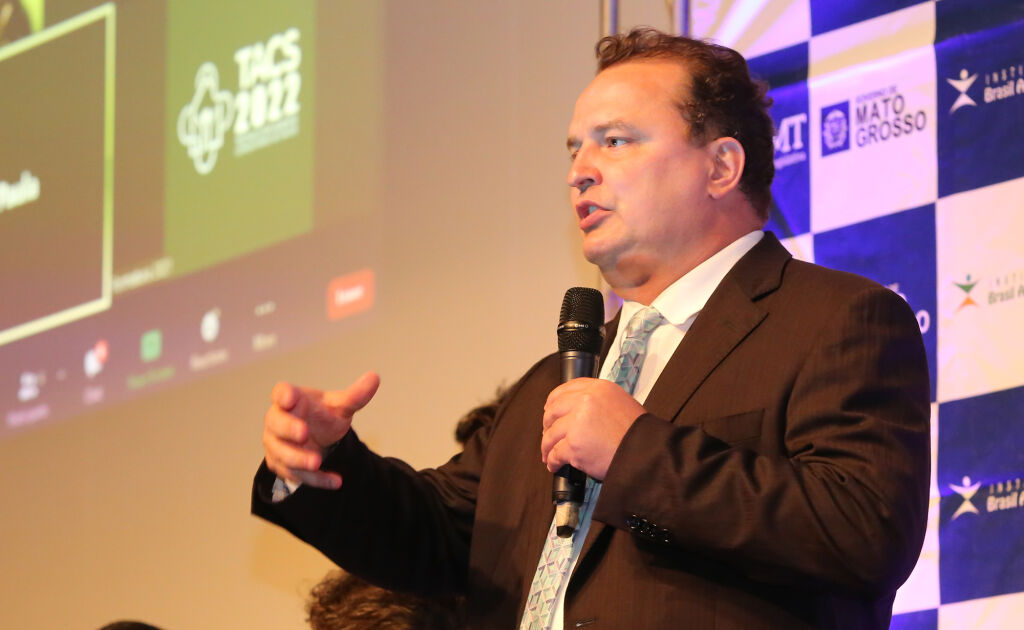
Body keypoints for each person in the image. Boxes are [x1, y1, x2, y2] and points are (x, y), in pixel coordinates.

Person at [253, 27, 930, 629]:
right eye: (575, 149)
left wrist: (634, 450)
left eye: (616, 141)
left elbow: (861, 530)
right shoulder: (555, 380)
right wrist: (322, 462)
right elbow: (439, 535)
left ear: (722, 166)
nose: (580, 172)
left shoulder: (834, 320)